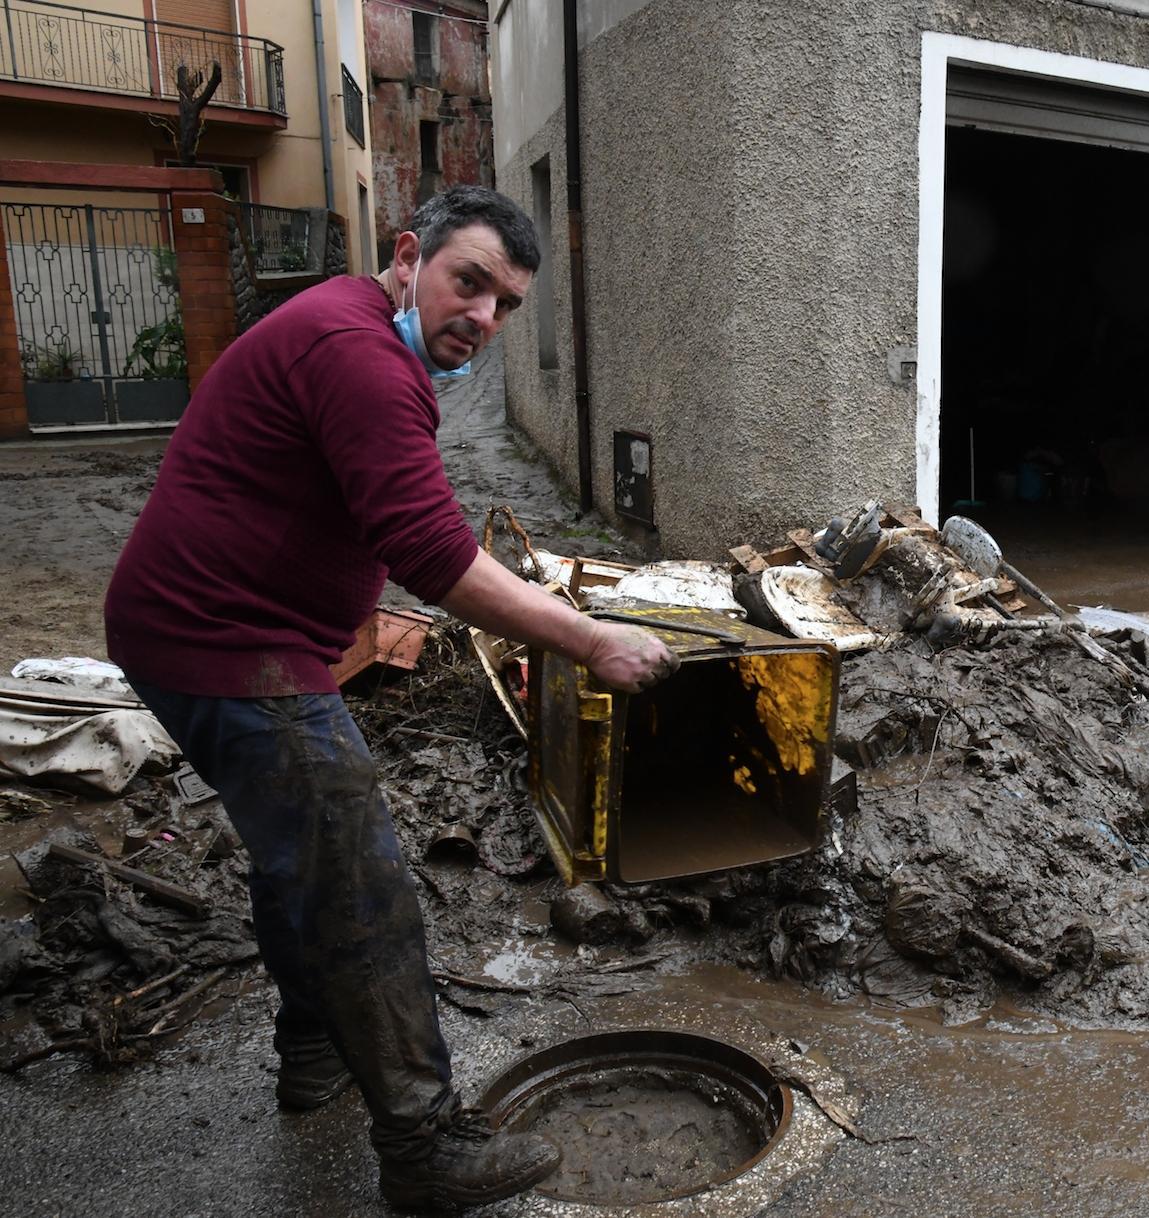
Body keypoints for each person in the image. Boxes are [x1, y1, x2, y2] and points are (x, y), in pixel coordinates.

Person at [103, 186, 678, 1210]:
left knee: (304, 855)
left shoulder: (356, 331)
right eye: (469, 282)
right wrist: (590, 639)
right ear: (408, 256)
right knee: (357, 874)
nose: (483, 319)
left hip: (209, 631)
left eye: (505, 304)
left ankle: (315, 1047)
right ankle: (423, 1145)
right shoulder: (362, 355)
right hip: (225, 644)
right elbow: (430, 553)